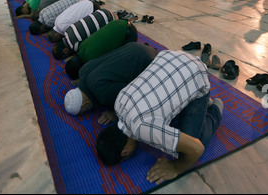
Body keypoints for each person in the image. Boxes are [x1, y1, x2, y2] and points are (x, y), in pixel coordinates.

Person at [96, 50, 223, 185]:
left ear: (125, 152)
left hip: (198, 74)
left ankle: (214, 108)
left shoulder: (143, 128)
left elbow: (196, 149)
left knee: (188, 149)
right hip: (172, 56)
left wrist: (175, 167)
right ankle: (195, 100)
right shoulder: (118, 103)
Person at [64, 43, 158, 117]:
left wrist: (116, 113)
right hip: (134, 46)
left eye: (83, 111)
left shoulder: (102, 95)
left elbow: (133, 94)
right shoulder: (82, 71)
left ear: (85, 104)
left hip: (151, 63)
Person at [52, 9, 120, 60]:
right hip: (101, 11)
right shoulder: (67, 31)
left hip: (109, 20)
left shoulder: (75, 45)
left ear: (65, 50)